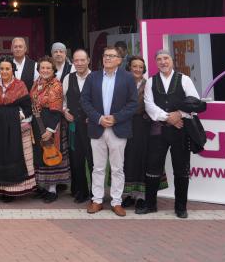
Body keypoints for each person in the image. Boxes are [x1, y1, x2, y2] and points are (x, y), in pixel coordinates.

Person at [139, 49, 201, 218]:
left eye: (165, 58)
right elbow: (149, 105)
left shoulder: (184, 79)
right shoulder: (151, 82)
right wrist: (168, 117)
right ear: (155, 62)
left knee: (181, 169)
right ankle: (150, 204)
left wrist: (179, 114)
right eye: (159, 59)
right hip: (158, 130)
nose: (163, 62)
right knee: (152, 167)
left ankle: (181, 207)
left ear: (172, 60)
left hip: (180, 130)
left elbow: (194, 102)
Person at [81, 47, 138, 216]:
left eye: (112, 56)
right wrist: (98, 118)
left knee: (117, 168)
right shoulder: (93, 77)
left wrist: (115, 118)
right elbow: (85, 101)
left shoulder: (128, 78)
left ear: (120, 60)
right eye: (105, 55)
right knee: (98, 167)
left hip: (118, 128)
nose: (107, 58)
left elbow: (133, 103)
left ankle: (116, 201)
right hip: (97, 127)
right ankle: (97, 200)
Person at [0, 59, 36, 201]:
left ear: (12, 69)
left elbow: (27, 107)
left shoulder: (20, 85)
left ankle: (12, 190)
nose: (4, 71)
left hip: (14, 126)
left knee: (12, 154)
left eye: (7, 69)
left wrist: (17, 115)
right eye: (2, 69)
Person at [30, 56, 70, 203]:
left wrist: (50, 130)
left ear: (53, 70)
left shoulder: (56, 85)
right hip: (37, 124)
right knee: (41, 156)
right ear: (38, 70)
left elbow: (57, 110)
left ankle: (52, 190)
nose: (45, 70)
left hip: (51, 124)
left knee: (51, 154)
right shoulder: (36, 83)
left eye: (48, 68)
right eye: (42, 68)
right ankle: (43, 187)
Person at [122, 55, 159, 211]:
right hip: (125, 126)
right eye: (134, 66)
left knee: (142, 159)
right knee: (127, 159)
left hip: (143, 127)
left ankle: (141, 197)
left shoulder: (149, 85)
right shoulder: (123, 84)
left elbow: (149, 106)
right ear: (129, 68)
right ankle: (128, 195)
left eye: (140, 67)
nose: (137, 69)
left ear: (143, 70)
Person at [63, 48, 94, 203]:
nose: (80, 63)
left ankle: (96, 193)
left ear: (88, 60)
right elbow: (62, 99)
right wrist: (64, 111)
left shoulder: (96, 77)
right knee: (77, 160)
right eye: (76, 60)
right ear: (73, 62)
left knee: (94, 160)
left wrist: (95, 116)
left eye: (83, 60)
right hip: (74, 126)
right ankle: (82, 191)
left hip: (92, 127)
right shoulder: (68, 78)